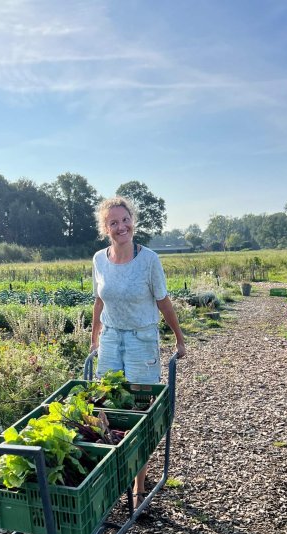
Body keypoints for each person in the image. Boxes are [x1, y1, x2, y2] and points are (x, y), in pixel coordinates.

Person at [90, 196, 185, 508]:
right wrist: (94, 338)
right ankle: (110, 472)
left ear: (133, 222)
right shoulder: (99, 260)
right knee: (104, 406)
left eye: (125, 220)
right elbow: (99, 302)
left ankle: (138, 488)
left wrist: (179, 338)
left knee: (139, 413)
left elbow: (163, 301)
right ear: (105, 228)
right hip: (111, 339)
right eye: (114, 222)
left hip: (142, 340)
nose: (121, 226)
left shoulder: (149, 260)